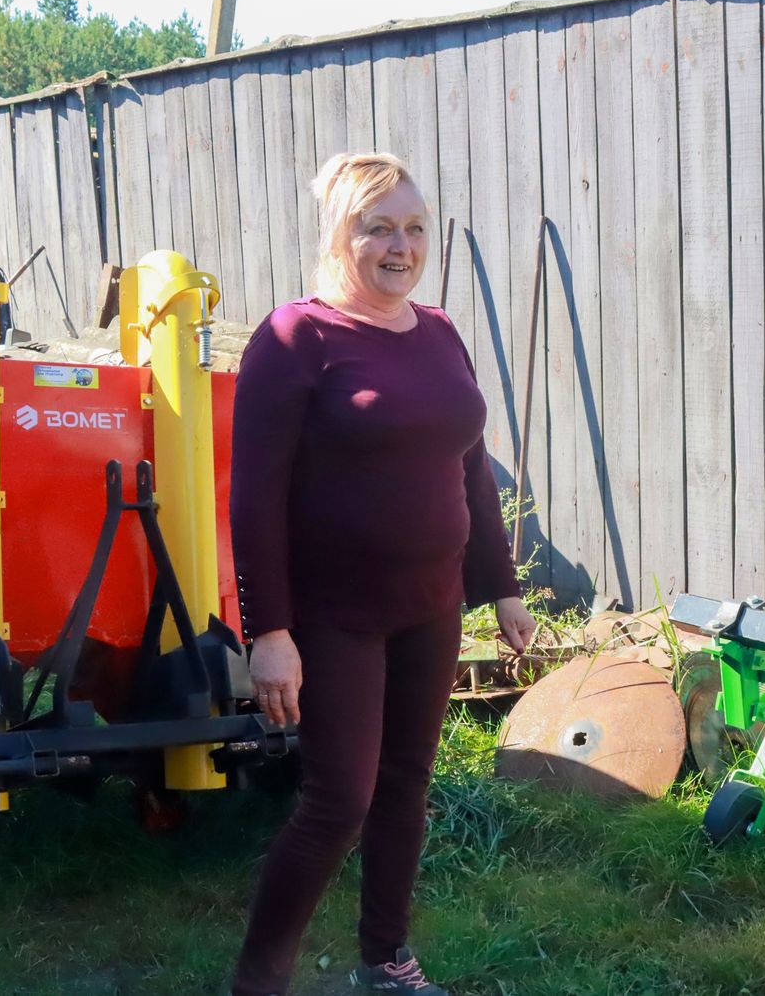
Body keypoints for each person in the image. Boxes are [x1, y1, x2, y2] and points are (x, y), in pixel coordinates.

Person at [227, 152, 536, 996]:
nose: (402, 246)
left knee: (406, 785)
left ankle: (386, 961)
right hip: (337, 618)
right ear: (341, 235)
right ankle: (258, 982)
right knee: (338, 803)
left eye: (415, 228)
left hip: (431, 609)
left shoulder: (438, 332)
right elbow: (254, 498)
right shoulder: (296, 339)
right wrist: (269, 630)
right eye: (379, 229)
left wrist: (503, 586)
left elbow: (470, 468)